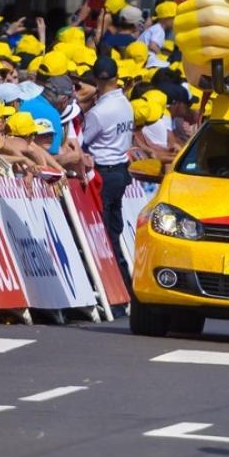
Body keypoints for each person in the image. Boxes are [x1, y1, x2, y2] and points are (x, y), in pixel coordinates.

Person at [82, 56, 135, 288]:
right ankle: (123, 284)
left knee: (103, 235)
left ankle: (113, 286)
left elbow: (82, 142)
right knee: (113, 232)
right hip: (120, 171)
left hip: (103, 174)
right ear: (116, 77)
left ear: (95, 79)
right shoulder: (125, 104)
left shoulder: (98, 112)